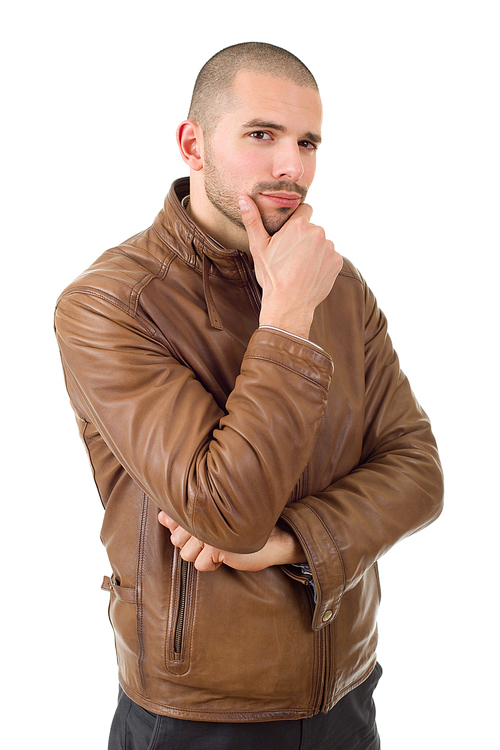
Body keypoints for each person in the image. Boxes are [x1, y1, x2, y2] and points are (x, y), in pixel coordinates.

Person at [54, 42, 444, 750]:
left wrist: (292, 542)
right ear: (192, 144)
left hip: (347, 693)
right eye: (261, 135)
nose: (290, 166)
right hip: (198, 715)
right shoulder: (108, 305)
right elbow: (226, 513)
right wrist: (288, 318)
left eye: (306, 142)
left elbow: (419, 471)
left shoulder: (340, 286)